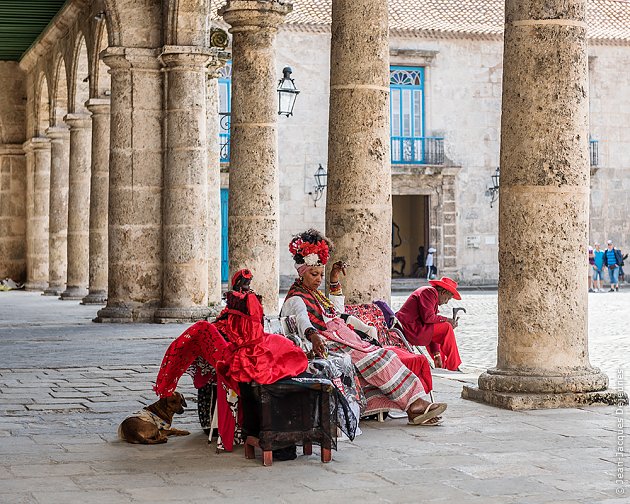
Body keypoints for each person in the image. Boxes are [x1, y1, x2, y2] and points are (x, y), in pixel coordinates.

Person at [280, 229, 446, 426]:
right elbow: (302, 321)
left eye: (321, 275)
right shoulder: (297, 298)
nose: (318, 279)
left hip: (345, 339)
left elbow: (336, 312)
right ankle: (415, 406)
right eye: (314, 274)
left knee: (386, 355)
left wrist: (334, 279)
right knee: (380, 359)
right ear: (302, 273)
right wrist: (314, 335)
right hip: (329, 345)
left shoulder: (314, 294)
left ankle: (415, 406)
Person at [396, 277, 463, 371]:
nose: (446, 302)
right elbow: (428, 318)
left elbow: (431, 323)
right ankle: (453, 366)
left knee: (444, 329)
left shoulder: (431, 294)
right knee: (447, 327)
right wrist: (446, 320)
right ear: (443, 292)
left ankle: (439, 361)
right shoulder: (429, 292)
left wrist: (436, 353)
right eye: (447, 298)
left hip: (412, 327)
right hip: (410, 328)